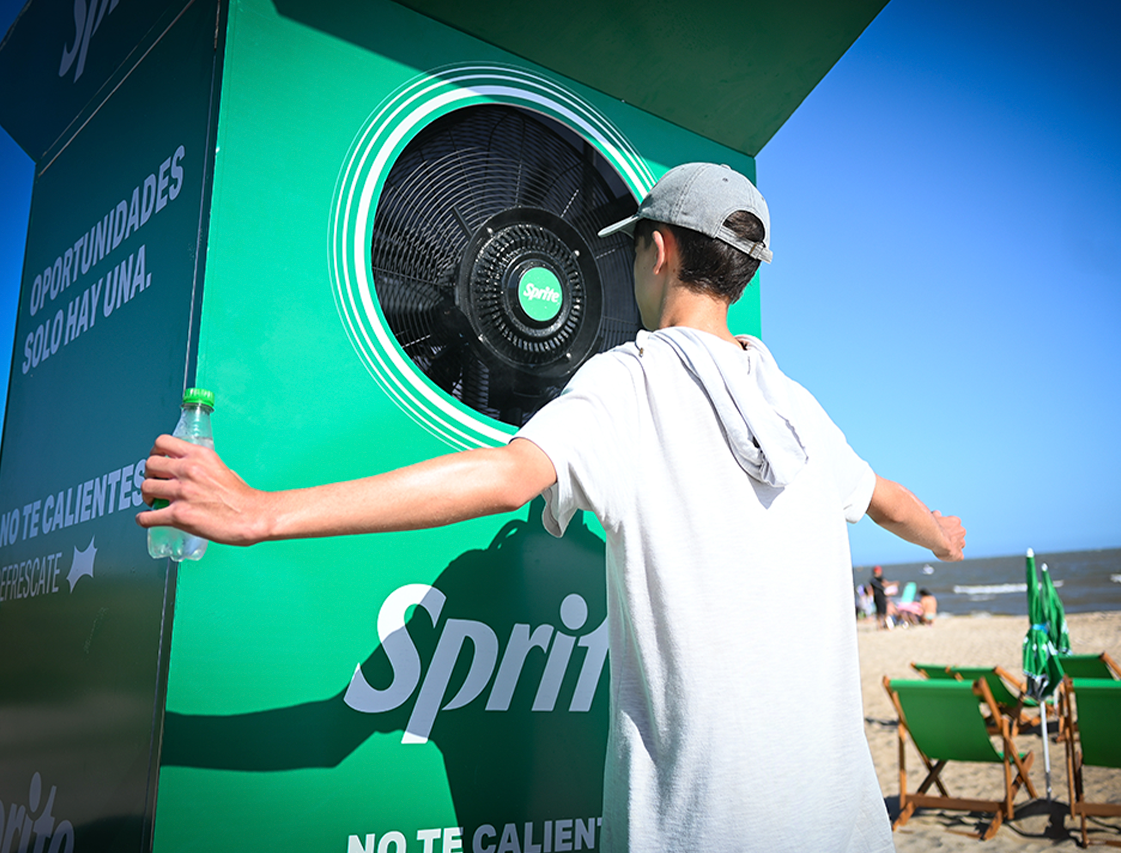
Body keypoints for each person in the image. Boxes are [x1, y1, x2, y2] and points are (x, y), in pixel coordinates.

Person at [138, 163, 965, 853]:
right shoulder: (799, 411)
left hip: (702, 828)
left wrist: (263, 511)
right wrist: (941, 536)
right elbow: (884, 498)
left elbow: (505, 477)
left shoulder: (629, 381)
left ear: (660, 248)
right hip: (844, 826)